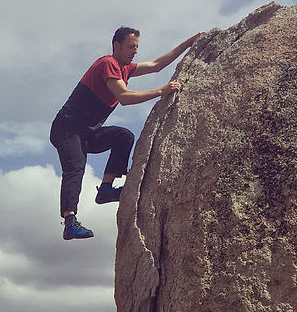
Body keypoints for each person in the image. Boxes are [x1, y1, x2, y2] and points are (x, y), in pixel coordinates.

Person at [50, 26, 204, 240]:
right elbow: (124, 97)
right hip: (68, 128)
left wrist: (188, 43)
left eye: (137, 47)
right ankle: (69, 222)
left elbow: (156, 65)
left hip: (88, 132)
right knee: (75, 167)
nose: (135, 51)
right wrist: (161, 91)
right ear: (117, 45)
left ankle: (106, 189)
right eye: (131, 47)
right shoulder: (108, 63)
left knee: (123, 136)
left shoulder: (125, 69)